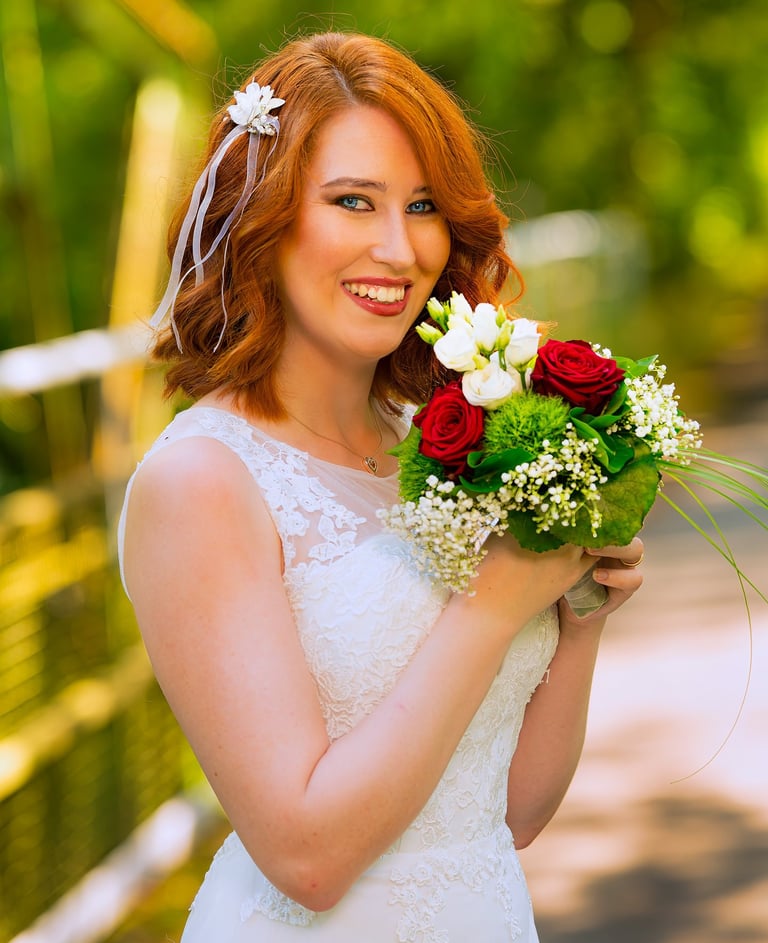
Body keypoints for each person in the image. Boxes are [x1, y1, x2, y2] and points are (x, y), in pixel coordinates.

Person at [118, 31, 644, 943]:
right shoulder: (199, 482)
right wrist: (491, 607)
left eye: (425, 205)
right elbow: (307, 858)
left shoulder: (435, 446)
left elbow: (507, 812)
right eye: (353, 201)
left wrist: (577, 611)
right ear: (263, 215)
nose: (398, 250)